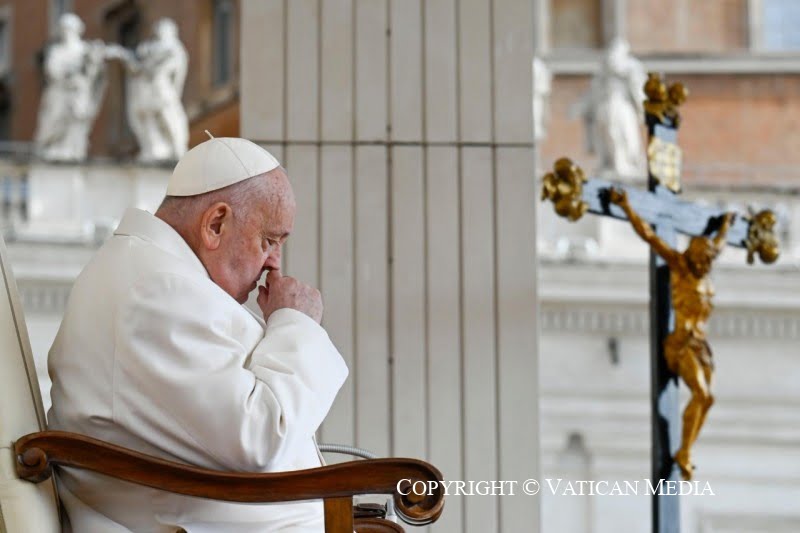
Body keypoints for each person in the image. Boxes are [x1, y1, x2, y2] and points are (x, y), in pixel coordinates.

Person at [47, 137, 348, 531]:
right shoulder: (156, 289)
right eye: (269, 241)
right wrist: (297, 323)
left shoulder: (152, 272)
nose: (274, 263)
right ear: (215, 224)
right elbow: (259, 437)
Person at [610, 188, 734, 480]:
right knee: (702, 394)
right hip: (680, 344)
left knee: (707, 399)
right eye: (701, 260)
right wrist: (627, 206)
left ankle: (686, 449)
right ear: (692, 256)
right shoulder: (680, 266)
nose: (705, 265)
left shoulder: (705, 268)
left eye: (708, 261)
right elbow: (650, 237)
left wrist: (726, 224)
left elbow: (719, 244)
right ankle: (685, 452)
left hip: (701, 345)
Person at [108, 18, 189, 162]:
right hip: (146, 90)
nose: (160, 32)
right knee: (147, 118)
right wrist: (123, 56)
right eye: (159, 28)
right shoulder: (147, 48)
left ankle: (177, 148)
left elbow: (176, 73)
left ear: (171, 32)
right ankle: (154, 149)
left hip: (161, 88)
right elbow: (137, 69)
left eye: (164, 29)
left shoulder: (174, 49)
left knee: (167, 116)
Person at [34, 13, 109, 161]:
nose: (66, 32)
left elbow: (95, 75)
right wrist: (71, 71)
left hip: (79, 92)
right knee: (53, 122)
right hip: (59, 92)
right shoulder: (56, 50)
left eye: (69, 28)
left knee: (77, 122)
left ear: (77, 30)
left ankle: (74, 151)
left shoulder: (86, 49)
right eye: (64, 28)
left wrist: (94, 61)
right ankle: (54, 148)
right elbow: (51, 71)